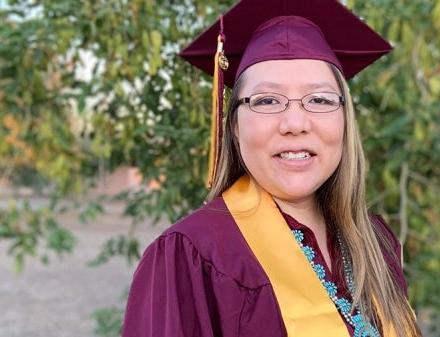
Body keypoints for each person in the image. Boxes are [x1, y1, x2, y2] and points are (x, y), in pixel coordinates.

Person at [121, 0, 422, 336]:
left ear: (345, 121)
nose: (295, 123)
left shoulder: (376, 245)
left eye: (320, 99)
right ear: (234, 126)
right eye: (267, 100)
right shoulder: (190, 258)